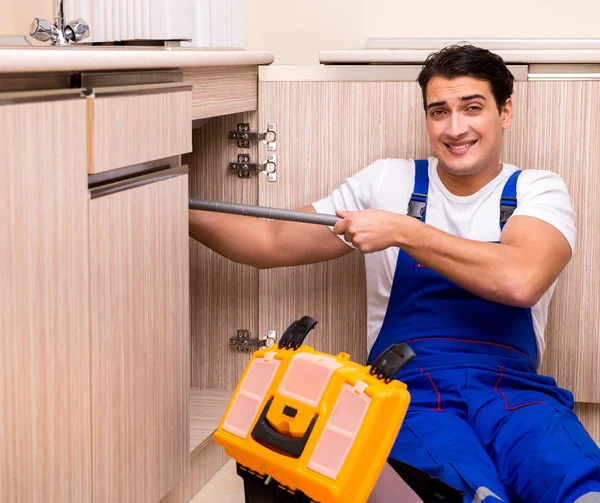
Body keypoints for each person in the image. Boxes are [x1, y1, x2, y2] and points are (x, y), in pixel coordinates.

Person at [189, 44, 600, 503]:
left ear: (504, 112)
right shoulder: (388, 182)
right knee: (459, 486)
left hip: (515, 395)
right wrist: (165, 200)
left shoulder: (535, 188)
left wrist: (405, 231)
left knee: (573, 479)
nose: (455, 128)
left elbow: (521, 279)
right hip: (409, 397)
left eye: (473, 108)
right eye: (439, 111)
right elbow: (269, 242)